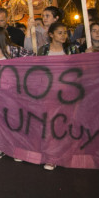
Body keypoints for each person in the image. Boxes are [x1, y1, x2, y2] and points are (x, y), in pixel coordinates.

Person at [0, 26, 32, 162]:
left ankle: (18, 148)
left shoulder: (15, 50)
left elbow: (34, 60)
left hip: (12, 93)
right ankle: (1, 146)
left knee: (14, 120)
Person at [35, 22, 79, 171]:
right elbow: (37, 71)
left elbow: (81, 68)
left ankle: (65, 155)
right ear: (51, 35)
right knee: (49, 126)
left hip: (68, 94)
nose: (63, 35)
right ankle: (51, 157)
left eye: (65, 32)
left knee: (65, 124)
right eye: (59, 33)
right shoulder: (43, 50)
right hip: (48, 93)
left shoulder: (72, 49)